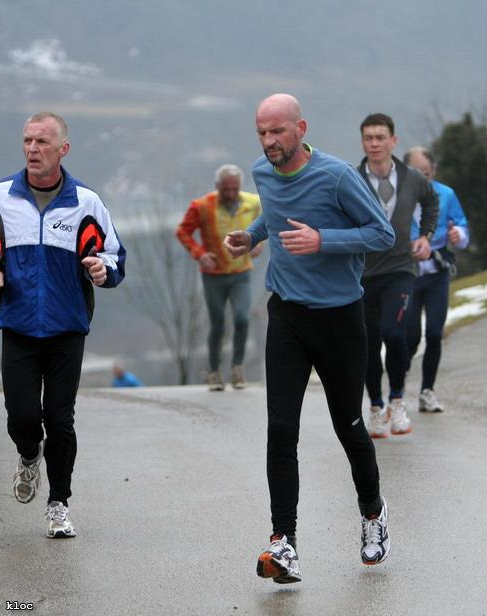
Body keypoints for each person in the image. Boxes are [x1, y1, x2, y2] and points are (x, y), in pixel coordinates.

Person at [224, 93, 395, 584]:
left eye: (277, 131)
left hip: (340, 319)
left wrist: (324, 240)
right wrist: (252, 236)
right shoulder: (262, 171)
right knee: (281, 429)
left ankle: (372, 513)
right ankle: (284, 542)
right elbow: (275, 214)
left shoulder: (338, 176)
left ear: (300, 129)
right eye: (261, 132)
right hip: (287, 315)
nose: (268, 141)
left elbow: (381, 234)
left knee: (349, 426)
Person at [0, 112, 125, 539]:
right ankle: (27, 453)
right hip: (18, 324)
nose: (33, 149)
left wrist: (102, 270)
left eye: (42, 142)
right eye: (27, 141)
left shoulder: (86, 203)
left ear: (63, 150)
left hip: (66, 327)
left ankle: (59, 504)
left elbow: (114, 256)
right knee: (22, 417)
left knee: (60, 419)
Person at [357, 113, 439, 439]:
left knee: (394, 333)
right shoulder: (352, 179)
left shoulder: (412, 178)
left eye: (380, 137)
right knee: (368, 343)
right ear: (363, 142)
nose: (374, 144)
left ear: (393, 141)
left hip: (401, 269)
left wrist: (426, 236)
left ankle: (397, 400)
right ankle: (376, 407)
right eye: (368, 138)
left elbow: (431, 202)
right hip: (363, 273)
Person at [176, 164, 263, 391]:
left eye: (234, 188)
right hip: (213, 275)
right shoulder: (202, 206)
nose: (231, 193)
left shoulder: (253, 202)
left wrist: (258, 243)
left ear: (240, 186)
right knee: (218, 324)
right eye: (225, 189)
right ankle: (214, 372)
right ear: (217, 186)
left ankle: (237, 368)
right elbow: (183, 231)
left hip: (241, 273)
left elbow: (266, 223)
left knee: (242, 318)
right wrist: (200, 254)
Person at [403, 146, 469, 413]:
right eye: (415, 173)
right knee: (409, 337)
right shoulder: (396, 197)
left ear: (434, 171)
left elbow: (462, 227)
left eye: (426, 174)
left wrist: (458, 236)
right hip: (407, 274)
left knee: (433, 333)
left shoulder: (446, 194)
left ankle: (427, 391)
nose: (422, 179)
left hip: (437, 273)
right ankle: (398, 388)